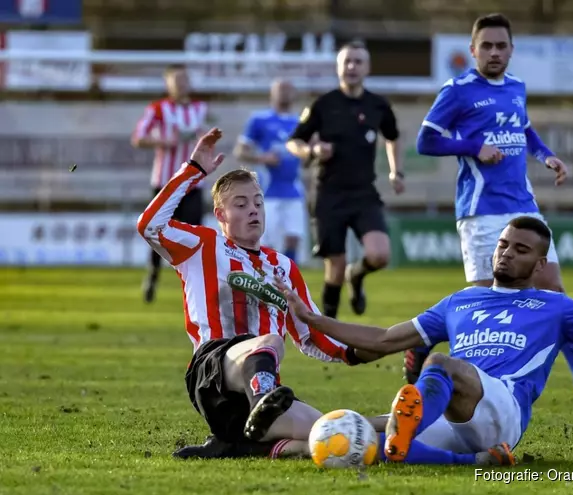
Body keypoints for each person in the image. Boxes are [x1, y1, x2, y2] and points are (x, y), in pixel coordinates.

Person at [276, 215, 573, 465]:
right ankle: (471, 460)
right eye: (503, 244)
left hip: (504, 408)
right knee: (345, 427)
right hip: (452, 414)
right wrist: (313, 318)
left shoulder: (556, 307)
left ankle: (405, 439)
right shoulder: (459, 302)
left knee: (440, 364)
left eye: (521, 249)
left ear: (540, 264)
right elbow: (381, 339)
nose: (506, 253)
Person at [406, 13, 573, 401]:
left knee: (552, 289)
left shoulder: (516, 87)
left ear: (511, 51)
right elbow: (425, 141)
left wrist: (547, 156)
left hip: (524, 207)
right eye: (485, 45)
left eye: (500, 46)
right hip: (481, 211)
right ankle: (423, 344)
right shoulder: (457, 90)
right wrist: (473, 146)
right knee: (484, 304)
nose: (493, 52)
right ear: (472, 50)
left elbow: (524, 130)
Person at [136, 128, 376, 459]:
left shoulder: (284, 267)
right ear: (220, 215)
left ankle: (237, 445)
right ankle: (261, 404)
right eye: (241, 203)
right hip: (214, 372)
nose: (254, 210)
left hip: (265, 395)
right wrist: (193, 169)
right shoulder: (203, 245)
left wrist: (362, 351)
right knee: (270, 342)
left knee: (334, 434)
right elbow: (149, 225)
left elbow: (312, 336)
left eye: (258, 202)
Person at [286, 40, 405, 319]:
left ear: (367, 67)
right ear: (338, 67)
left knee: (379, 255)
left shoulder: (378, 105)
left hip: (364, 193)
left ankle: (358, 274)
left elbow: (393, 136)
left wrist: (395, 171)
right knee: (334, 266)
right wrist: (312, 150)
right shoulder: (324, 104)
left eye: (358, 61)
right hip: (330, 194)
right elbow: (294, 141)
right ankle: (329, 328)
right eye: (347, 61)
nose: (352, 67)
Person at [132, 64, 211, 304]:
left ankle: (194, 285)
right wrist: (164, 141)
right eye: (175, 80)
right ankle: (153, 275)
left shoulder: (200, 108)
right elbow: (138, 138)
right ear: (168, 84)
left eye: (184, 79)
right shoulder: (158, 109)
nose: (180, 84)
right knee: (155, 231)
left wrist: (206, 139)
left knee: (194, 234)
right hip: (165, 183)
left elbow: (207, 134)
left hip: (192, 184)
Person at [234, 79, 306, 261]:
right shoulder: (259, 119)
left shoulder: (300, 122)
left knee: (293, 237)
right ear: (271, 93)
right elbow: (240, 151)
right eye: (280, 89)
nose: (284, 93)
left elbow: (307, 152)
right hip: (268, 189)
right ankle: (266, 280)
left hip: (293, 189)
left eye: (288, 89)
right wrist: (263, 158)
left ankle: (289, 280)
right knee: (268, 240)